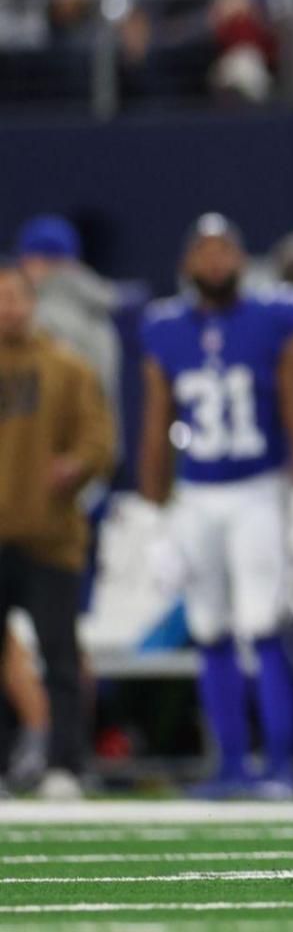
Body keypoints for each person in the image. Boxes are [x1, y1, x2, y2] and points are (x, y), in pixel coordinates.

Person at [139, 214, 293, 799]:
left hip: (258, 488)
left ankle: (278, 766)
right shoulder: (164, 327)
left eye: (225, 252)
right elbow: (155, 418)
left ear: (242, 259)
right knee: (208, 627)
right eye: (204, 253)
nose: (215, 263)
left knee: (262, 624)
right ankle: (230, 764)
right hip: (196, 493)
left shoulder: (276, 316)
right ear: (188, 263)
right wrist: (154, 512)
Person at [0, 260, 114, 799]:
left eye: (15, 297)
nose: (8, 308)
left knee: (60, 656)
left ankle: (65, 765)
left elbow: (100, 442)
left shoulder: (67, 369)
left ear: (32, 302)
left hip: (50, 537)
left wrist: (75, 464)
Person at [14, 215, 120, 445]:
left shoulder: (40, 314)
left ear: (39, 260)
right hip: (94, 448)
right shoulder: (97, 307)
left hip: (51, 453)